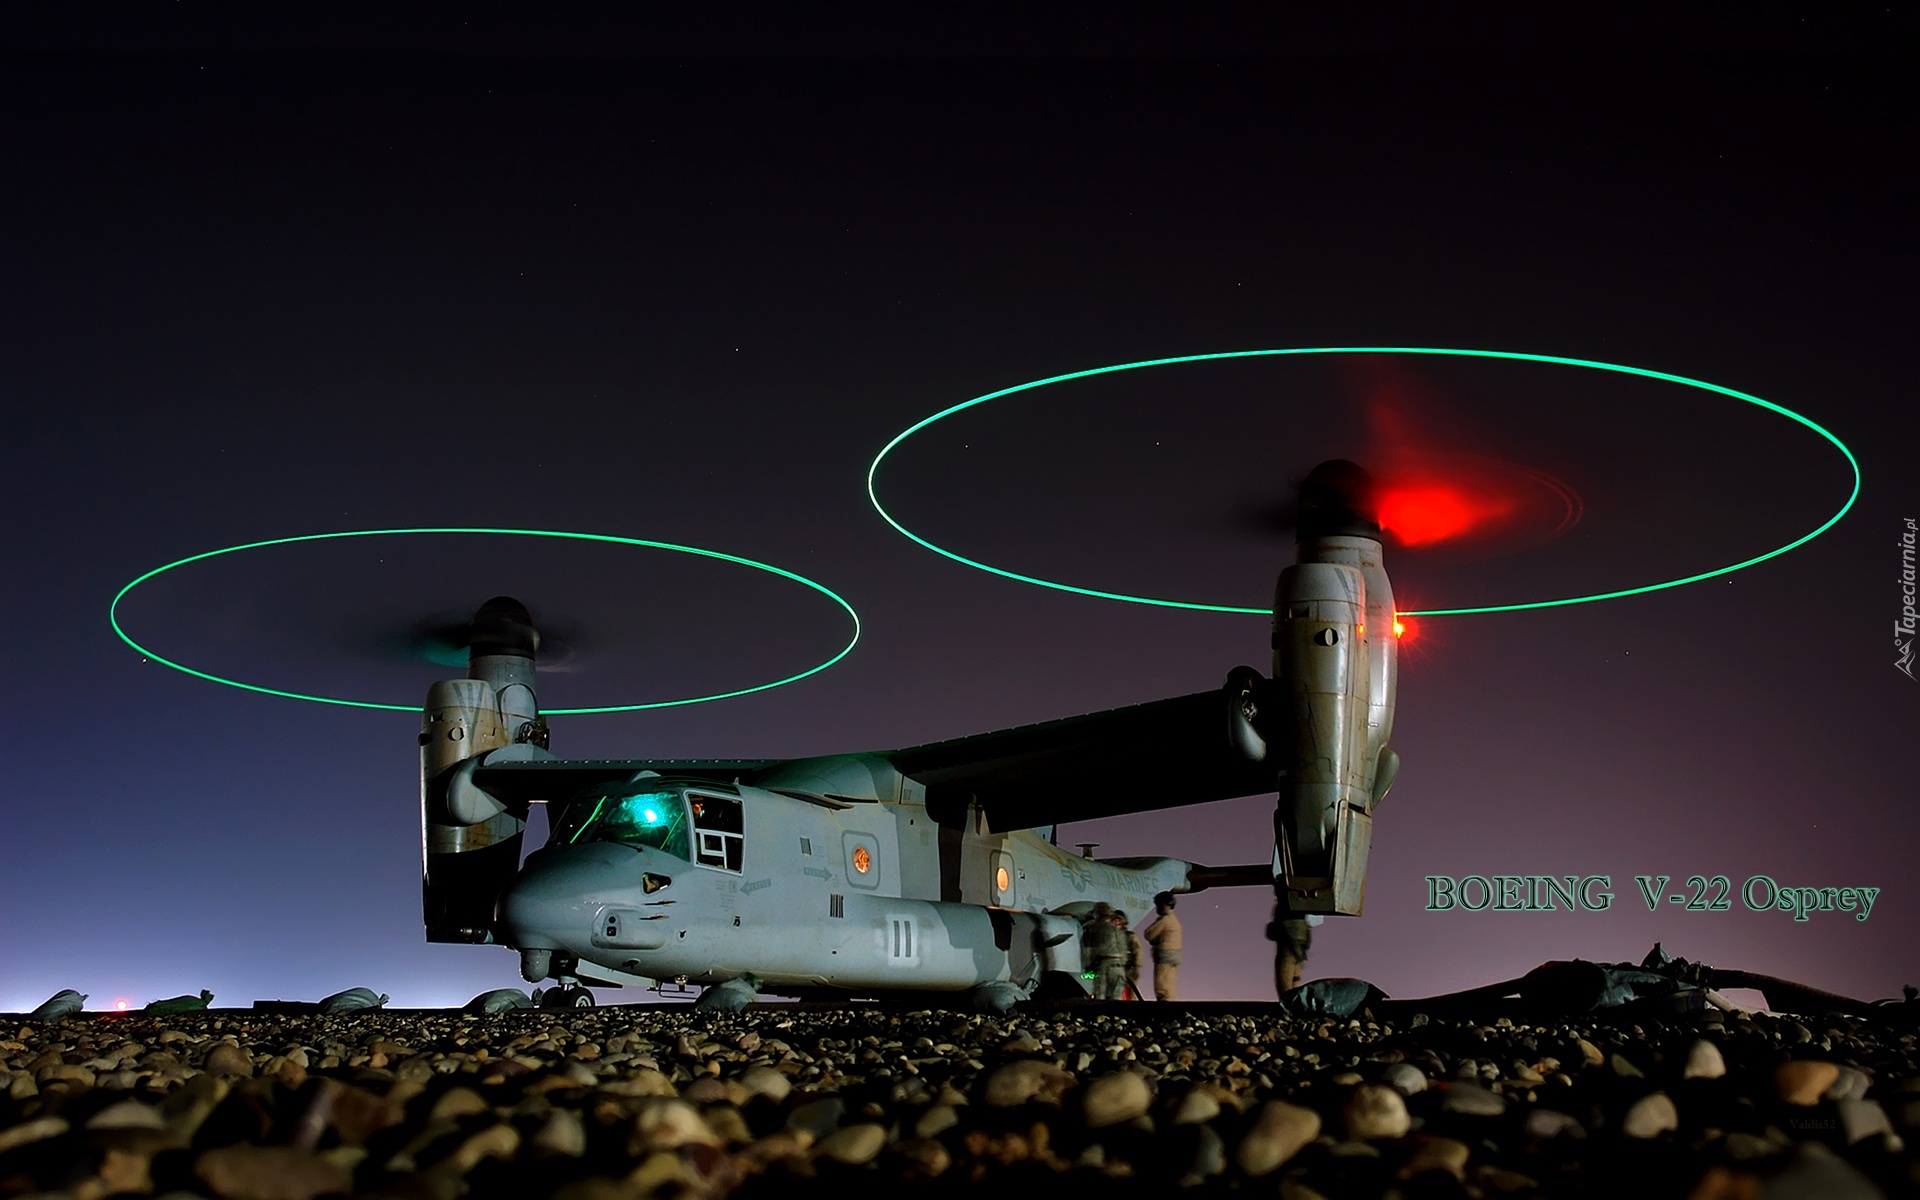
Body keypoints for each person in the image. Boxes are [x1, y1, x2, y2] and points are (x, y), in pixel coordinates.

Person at [1083, 902, 1129, 1000]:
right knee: (1116, 997)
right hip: (1119, 967)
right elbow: (1123, 949)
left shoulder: (1091, 928)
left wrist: (1087, 967)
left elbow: (1088, 950)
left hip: (1102, 966)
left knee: (1100, 997)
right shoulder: (1117, 930)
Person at [1144, 892, 1183, 1001]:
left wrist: (1154, 941)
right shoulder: (1174, 920)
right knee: (1170, 986)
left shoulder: (1165, 920)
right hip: (1173, 957)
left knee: (1162, 987)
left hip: (1164, 957)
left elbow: (1148, 934)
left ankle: (1164, 1012)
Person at [1114, 909, 1144, 1000]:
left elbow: (1138, 952)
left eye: (1118, 919)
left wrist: (1135, 967)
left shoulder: (1130, 936)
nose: (1116, 922)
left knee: (1130, 996)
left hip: (1129, 971)